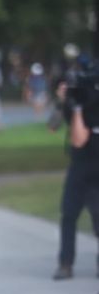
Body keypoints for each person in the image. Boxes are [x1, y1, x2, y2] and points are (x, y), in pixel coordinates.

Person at [52, 77, 99, 281]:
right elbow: (74, 138)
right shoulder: (75, 105)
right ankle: (65, 263)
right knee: (68, 214)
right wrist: (71, 104)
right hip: (79, 167)